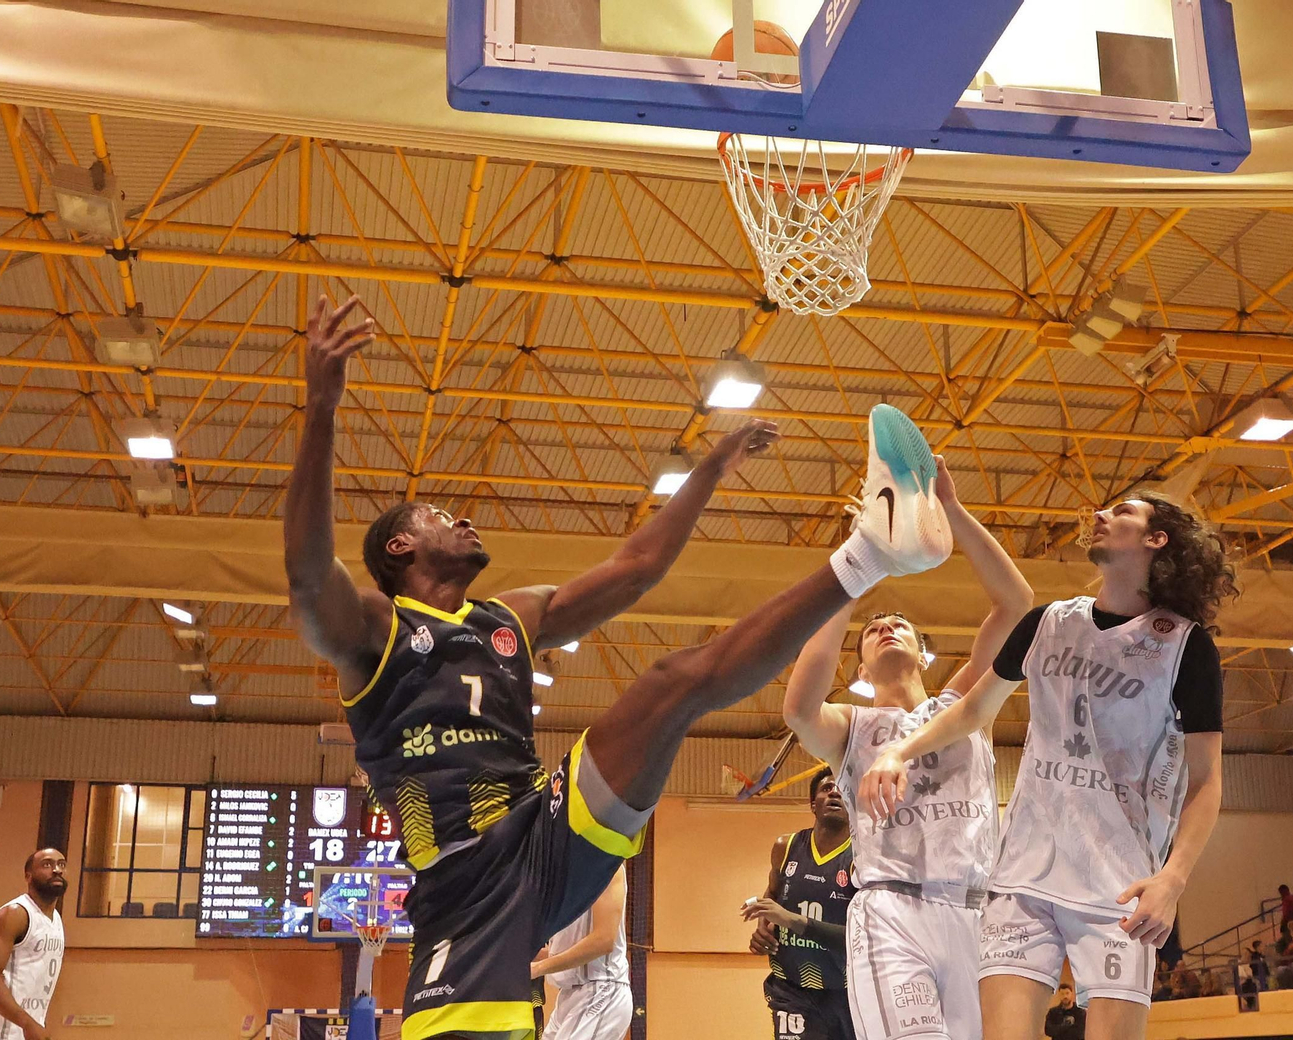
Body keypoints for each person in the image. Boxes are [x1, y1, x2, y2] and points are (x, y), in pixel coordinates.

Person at [283, 295, 956, 1038]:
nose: (462, 520)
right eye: (439, 516)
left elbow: (637, 569)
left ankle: (870, 551)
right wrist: (321, 409)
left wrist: (711, 466)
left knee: (672, 682)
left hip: (544, 829)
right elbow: (311, 578)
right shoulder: (374, 632)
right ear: (399, 551)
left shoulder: (510, 618)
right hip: (464, 892)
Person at [856, 492, 1234, 1039]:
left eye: (1122, 513)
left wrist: (1174, 878)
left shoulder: (1184, 648)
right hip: (1024, 879)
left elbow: (1207, 782)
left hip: (1118, 885)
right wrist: (897, 750)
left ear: (1157, 541)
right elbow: (971, 711)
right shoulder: (1047, 624)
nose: (1100, 516)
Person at [779, 452, 1033, 1040]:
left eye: (900, 626)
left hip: (977, 912)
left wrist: (953, 509)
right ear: (861, 665)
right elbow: (797, 708)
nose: (885, 627)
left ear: (925, 654)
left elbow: (1019, 609)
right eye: (872, 630)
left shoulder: (965, 702)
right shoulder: (853, 726)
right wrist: (854, 572)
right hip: (892, 909)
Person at [742, 768, 856, 1040]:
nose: (835, 792)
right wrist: (764, 928)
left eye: (842, 788)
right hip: (792, 990)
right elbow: (772, 894)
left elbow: (862, 935)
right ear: (812, 805)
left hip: (848, 992)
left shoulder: (864, 857)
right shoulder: (786, 846)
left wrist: (791, 920)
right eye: (827, 788)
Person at [0, 849, 67, 1040]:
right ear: (28, 876)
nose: (56, 870)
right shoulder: (14, 914)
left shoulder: (55, 919)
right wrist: (27, 1023)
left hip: (28, 1031)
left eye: (61, 864)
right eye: (47, 865)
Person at [533, 868, 630, 1040]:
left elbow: (603, 941)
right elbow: (562, 952)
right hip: (569, 995)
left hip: (602, 990)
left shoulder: (606, 867)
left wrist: (538, 968)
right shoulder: (566, 876)